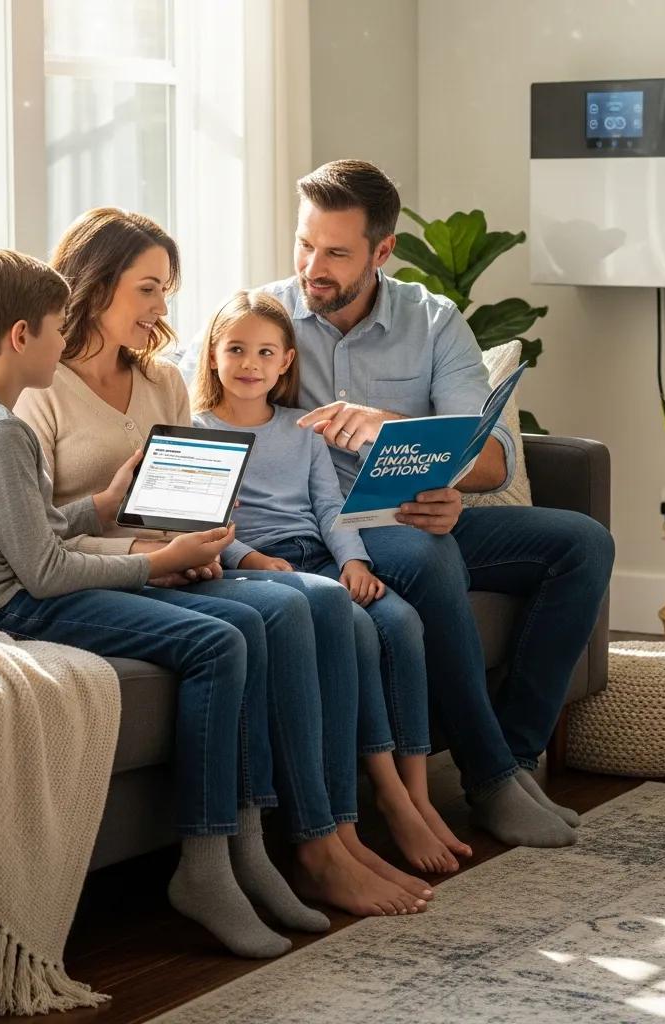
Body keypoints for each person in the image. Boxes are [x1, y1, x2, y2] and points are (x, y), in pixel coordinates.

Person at [181, 159, 616, 848]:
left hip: (422, 512)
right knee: (425, 551)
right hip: (329, 532)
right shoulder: (260, 320)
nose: (311, 267)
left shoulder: (433, 320)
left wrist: (435, 470)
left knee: (582, 544)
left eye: (336, 253)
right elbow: (195, 414)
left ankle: (518, 755)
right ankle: (489, 779)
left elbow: (492, 454)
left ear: (382, 252)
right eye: (304, 244)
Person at [0, 248, 332, 960]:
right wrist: (160, 563)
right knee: (218, 641)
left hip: (24, 590)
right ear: (22, 337)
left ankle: (248, 844)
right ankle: (203, 867)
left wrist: (102, 507)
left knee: (248, 621)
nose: (63, 342)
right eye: (55, 329)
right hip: (10, 610)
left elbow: (31, 528)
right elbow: (41, 574)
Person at [14, 208, 432, 914]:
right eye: (148, 289)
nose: (161, 308)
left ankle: (332, 836)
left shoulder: (162, 385)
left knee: (325, 600)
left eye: (166, 290)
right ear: (98, 283)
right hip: (113, 575)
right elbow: (42, 539)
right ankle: (315, 846)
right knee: (299, 603)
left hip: (186, 564)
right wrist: (156, 553)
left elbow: (192, 502)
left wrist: (199, 549)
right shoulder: (36, 390)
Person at [190, 288, 472, 873]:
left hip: (321, 556)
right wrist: (249, 560)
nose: (250, 364)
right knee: (359, 631)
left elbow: (329, 508)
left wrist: (355, 561)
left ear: (287, 362)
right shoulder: (197, 428)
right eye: (236, 349)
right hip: (262, 565)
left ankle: (417, 795)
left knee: (399, 620)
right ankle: (387, 797)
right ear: (212, 354)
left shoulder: (303, 429)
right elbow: (208, 518)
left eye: (266, 352)